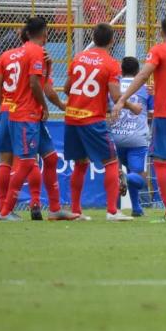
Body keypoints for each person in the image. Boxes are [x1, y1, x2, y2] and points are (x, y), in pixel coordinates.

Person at [112, 15, 166, 224]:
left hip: (165, 114)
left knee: (160, 163)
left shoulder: (159, 50)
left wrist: (122, 98)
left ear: (161, 31)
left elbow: (142, 76)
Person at [0, 28, 76, 221]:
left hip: (7, 108)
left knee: (13, 160)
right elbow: (40, 85)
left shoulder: (7, 55)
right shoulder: (36, 53)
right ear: (44, 34)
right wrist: (58, 105)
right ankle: (20, 207)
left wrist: (6, 104)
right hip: (26, 113)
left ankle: (50, 209)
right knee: (28, 161)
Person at [64, 24, 139, 222]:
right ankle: (112, 211)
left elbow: (67, 88)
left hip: (72, 117)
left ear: (93, 37)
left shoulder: (78, 57)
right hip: (92, 119)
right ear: (112, 40)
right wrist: (132, 107)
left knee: (80, 163)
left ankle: (76, 210)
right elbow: (116, 96)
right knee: (111, 162)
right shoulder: (111, 63)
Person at [110, 56, 153, 217]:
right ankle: (125, 178)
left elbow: (109, 107)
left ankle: (135, 208)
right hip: (137, 138)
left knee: (123, 173)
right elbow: (151, 114)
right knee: (139, 178)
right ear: (137, 71)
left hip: (116, 136)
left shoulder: (114, 85)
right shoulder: (144, 87)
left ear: (121, 70)